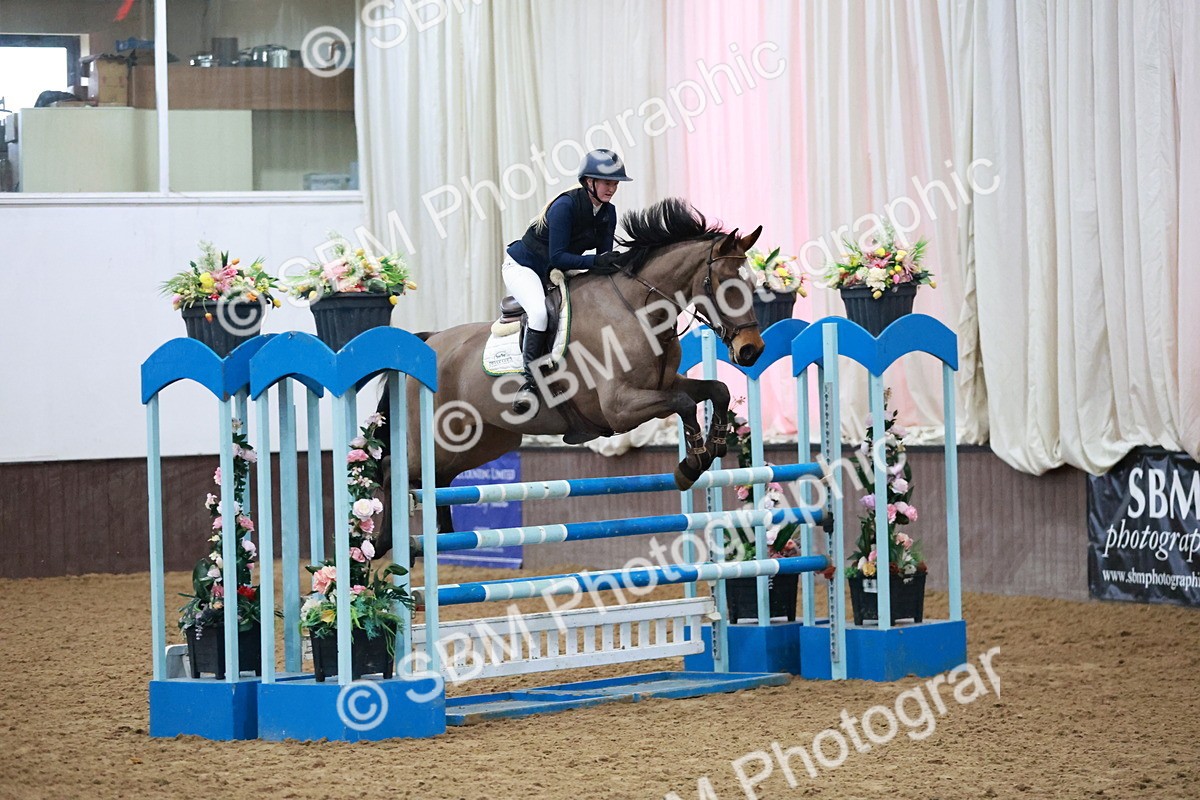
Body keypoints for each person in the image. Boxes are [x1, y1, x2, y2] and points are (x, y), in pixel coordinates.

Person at [502, 148, 632, 413]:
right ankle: (530, 382)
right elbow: (560, 256)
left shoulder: (608, 213)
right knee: (539, 313)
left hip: (555, 269)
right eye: (607, 182)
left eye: (615, 183)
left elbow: (603, 258)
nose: (612, 188)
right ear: (589, 182)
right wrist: (597, 262)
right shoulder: (566, 206)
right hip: (524, 267)